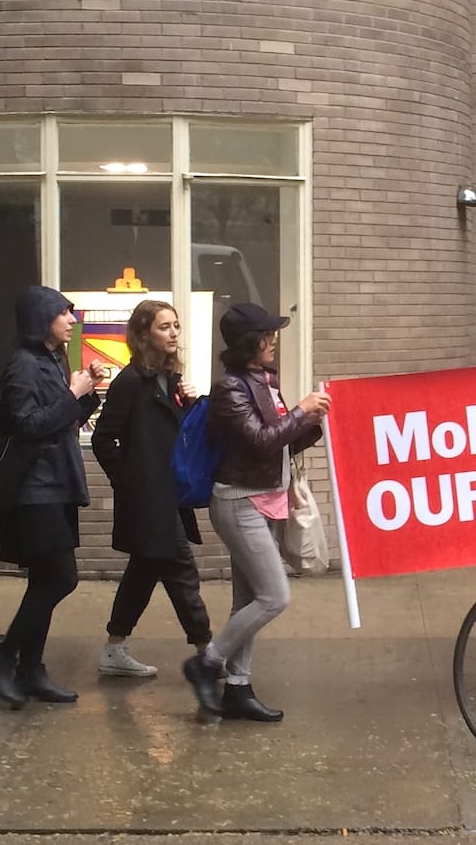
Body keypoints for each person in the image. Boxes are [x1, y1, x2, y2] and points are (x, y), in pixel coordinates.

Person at [181, 302, 328, 722]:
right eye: (268, 335)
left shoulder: (265, 381)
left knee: (247, 600)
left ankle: (238, 688)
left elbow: (279, 444)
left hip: (266, 497)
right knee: (274, 595)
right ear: (250, 342)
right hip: (239, 501)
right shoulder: (231, 388)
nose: (274, 340)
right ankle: (206, 663)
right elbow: (261, 440)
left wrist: (313, 423)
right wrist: (301, 412)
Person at [0, 285, 104, 709]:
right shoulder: (24, 365)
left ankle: (30, 669)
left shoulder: (51, 360)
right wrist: (73, 395)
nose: (71, 321)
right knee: (60, 577)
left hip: (55, 482)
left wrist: (87, 394)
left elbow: (61, 422)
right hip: (34, 490)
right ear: (40, 318)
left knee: (45, 580)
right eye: (63, 313)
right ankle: (2, 657)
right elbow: (28, 425)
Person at [91, 300, 213, 677]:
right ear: (144, 335)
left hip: (169, 496)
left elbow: (181, 436)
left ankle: (114, 648)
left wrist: (194, 405)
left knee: (143, 572)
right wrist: (130, 481)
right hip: (149, 499)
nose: (174, 333)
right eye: (165, 327)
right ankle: (207, 651)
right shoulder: (130, 381)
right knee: (181, 570)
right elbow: (103, 439)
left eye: (176, 326)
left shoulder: (172, 380)